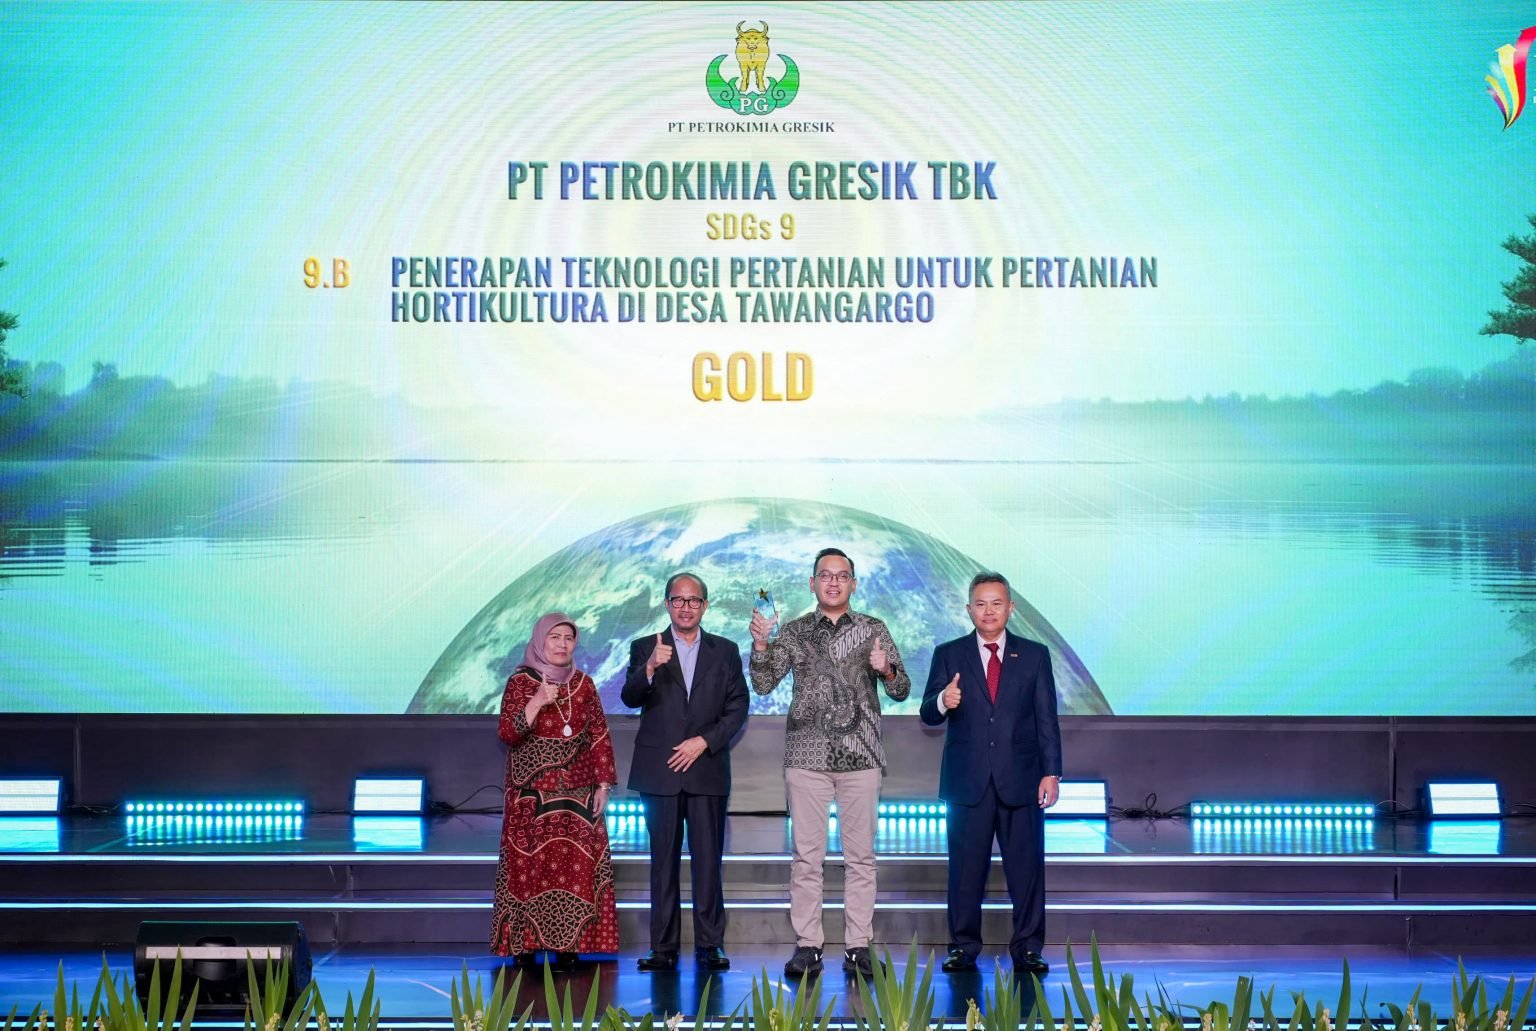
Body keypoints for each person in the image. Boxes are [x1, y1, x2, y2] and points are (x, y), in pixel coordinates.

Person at [748, 547, 910, 980]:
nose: (833, 582)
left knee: (861, 859)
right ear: (812, 583)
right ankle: (809, 946)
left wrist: (887, 670)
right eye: (825, 575)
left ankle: (859, 946)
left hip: (861, 757)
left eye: (842, 576)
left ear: (853, 583)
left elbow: (901, 689)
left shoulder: (873, 628)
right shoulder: (795, 631)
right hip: (807, 757)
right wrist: (761, 643)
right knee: (807, 858)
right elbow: (763, 684)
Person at [919, 572, 1062, 977]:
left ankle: (1028, 948)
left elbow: (1046, 718)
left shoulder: (1034, 655)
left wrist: (1051, 772)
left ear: (1010, 608)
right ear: (968, 609)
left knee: (1027, 870)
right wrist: (943, 700)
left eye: (996, 603)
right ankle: (963, 947)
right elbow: (927, 712)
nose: (988, 611)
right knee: (965, 871)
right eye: (980, 604)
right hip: (968, 783)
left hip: (1022, 779)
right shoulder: (949, 653)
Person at [622, 571, 750, 972]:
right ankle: (663, 948)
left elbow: (738, 706)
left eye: (694, 600)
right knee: (663, 862)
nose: (686, 607)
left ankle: (711, 945)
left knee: (708, 862)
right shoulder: (646, 646)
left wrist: (704, 742)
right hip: (659, 772)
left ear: (705, 606)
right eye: (678, 600)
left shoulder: (725, 650)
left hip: (706, 768)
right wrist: (648, 669)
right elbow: (629, 697)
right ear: (667, 605)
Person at [491, 612, 619, 968]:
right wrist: (536, 701)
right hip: (531, 796)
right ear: (540, 640)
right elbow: (508, 733)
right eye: (555, 637)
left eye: (569, 638)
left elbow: (599, 736)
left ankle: (567, 946)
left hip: (577, 794)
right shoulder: (520, 682)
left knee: (574, 871)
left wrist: (603, 784)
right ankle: (525, 946)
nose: (563, 644)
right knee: (530, 870)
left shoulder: (585, 684)